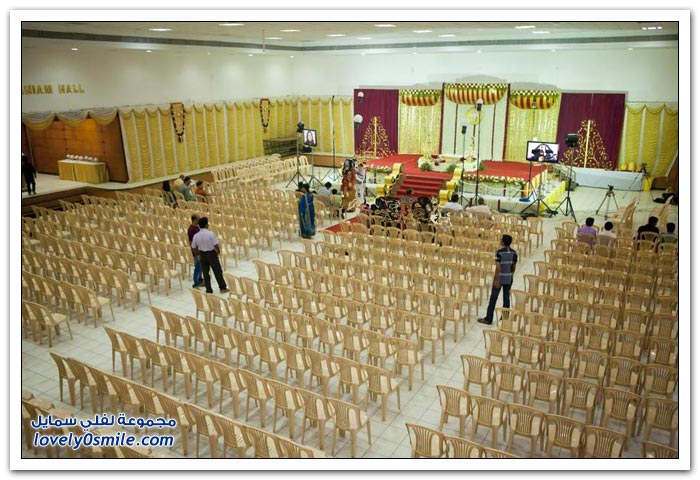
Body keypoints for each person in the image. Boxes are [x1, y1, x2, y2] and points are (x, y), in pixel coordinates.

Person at [478, 234, 518, 325]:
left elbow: (498, 268)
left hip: (500, 278)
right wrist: (510, 275)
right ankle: (505, 319)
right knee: (506, 298)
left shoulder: (499, 252)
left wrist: (496, 279)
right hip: (508, 277)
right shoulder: (514, 253)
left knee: (493, 298)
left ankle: (488, 318)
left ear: (503, 242)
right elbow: (514, 267)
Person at [191, 217, 228, 294]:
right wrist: (218, 252)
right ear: (206, 225)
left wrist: (197, 255)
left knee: (205, 273)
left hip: (202, 254)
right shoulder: (210, 234)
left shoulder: (196, 236)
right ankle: (222, 288)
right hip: (211, 254)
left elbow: (193, 247)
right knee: (217, 271)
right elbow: (216, 245)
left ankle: (208, 290)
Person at [188, 214, 205, 288]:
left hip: (200, 250)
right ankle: (196, 283)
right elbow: (191, 243)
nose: (199, 220)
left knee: (200, 267)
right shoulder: (191, 230)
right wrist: (196, 254)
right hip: (196, 252)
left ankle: (200, 280)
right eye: (198, 219)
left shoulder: (197, 227)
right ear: (194, 220)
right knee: (197, 267)